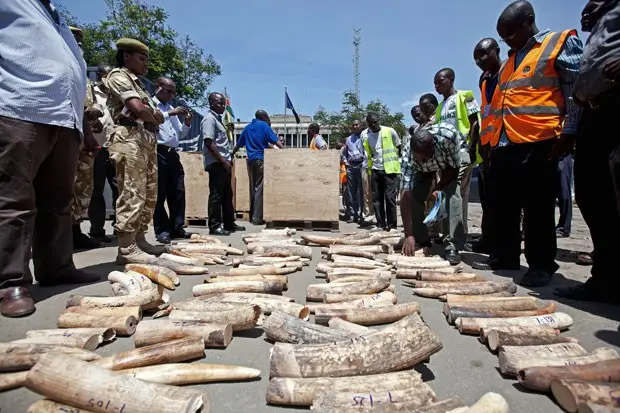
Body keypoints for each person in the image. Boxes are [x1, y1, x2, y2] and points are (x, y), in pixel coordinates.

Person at [472, 0, 583, 288]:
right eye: (503, 35)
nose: (507, 39)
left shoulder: (557, 43)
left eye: (510, 33)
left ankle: (541, 264)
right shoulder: (510, 61)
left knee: (537, 206)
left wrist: (570, 131)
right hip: (506, 143)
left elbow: (573, 90)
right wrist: (491, 145)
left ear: (528, 21)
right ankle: (507, 254)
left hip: (540, 140)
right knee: (504, 205)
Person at [0, 0, 100, 317]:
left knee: (58, 201)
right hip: (20, 109)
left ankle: (56, 266)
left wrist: (82, 123)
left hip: (64, 119)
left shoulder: (55, 14)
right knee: (13, 199)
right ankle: (10, 282)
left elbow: (72, 77)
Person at [554, 0, 619, 303]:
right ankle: (605, 278)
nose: (587, 9)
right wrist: (572, 125)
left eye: (594, 4)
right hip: (594, 111)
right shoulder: (598, 29)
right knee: (592, 195)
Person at [105, 38, 166, 264]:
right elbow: (138, 109)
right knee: (132, 191)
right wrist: (151, 114)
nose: (146, 65)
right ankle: (127, 247)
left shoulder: (139, 84)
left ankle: (140, 239)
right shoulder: (119, 77)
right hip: (128, 137)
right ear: (126, 56)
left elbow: (153, 115)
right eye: (142, 59)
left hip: (145, 139)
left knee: (149, 192)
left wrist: (151, 115)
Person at [401, 124, 465, 264]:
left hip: (449, 165)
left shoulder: (448, 136)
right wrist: (408, 234)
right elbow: (405, 194)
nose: (420, 160)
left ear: (433, 147)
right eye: (417, 158)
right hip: (423, 171)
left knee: (452, 195)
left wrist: (438, 187)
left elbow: (454, 168)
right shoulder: (408, 154)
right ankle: (421, 238)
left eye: (423, 158)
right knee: (416, 196)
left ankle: (451, 245)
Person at [69, 26, 107, 250]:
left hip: (86, 140)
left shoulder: (84, 80)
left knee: (84, 188)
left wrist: (95, 117)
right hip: (63, 134)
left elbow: (90, 108)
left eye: (80, 41)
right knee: (59, 188)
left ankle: (75, 230)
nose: (78, 45)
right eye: (74, 39)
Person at [433, 68, 481, 237]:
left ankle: (459, 236)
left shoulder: (465, 96)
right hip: (445, 158)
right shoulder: (440, 108)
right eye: (435, 83)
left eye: (440, 81)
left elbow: (475, 123)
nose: (437, 86)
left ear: (451, 80)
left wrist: (472, 148)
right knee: (449, 194)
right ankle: (453, 234)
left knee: (458, 194)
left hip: (461, 151)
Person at [467, 37, 503, 254]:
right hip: (489, 146)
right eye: (476, 59)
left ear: (496, 51)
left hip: (509, 141)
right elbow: (485, 113)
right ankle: (488, 238)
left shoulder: (508, 71)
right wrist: (480, 145)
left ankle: (504, 241)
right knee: (488, 198)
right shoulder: (484, 79)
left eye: (483, 55)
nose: (480, 61)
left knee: (505, 200)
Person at [152, 77, 194, 244]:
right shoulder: (150, 104)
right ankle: (162, 230)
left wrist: (188, 124)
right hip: (157, 151)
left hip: (172, 153)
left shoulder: (171, 108)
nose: (171, 95)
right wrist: (170, 114)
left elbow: (180, 135)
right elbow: (150, 119)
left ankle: (177, 226)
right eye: (168, 91)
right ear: (158, 87)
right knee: (159, 192)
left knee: (177, 190)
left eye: (173, 92)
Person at [202, 93, 245, 235]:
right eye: (219, 104)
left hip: (224, 162)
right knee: (216, 195)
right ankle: (214, 226)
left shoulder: (218, 120)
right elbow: (209, 143)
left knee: (227, 195)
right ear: (212, 103)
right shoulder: (209, 119)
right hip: (217, 163)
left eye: (223, 104)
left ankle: (229, 223)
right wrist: (222, 160)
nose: (222, 107)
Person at [232, 110, 283, 225]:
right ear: (264, 117)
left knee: (253, 187)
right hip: (261, 159)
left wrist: (231, 155)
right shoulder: (264, 126)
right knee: (260, 188)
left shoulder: (247, 128)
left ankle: (252, 216)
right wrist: (284, 151)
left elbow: (238, 145)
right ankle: (257, 218)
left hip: (250, 161)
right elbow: (276, 142)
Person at [88, 64, 119, 243]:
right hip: (98, 147)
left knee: (119, 189)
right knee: (96, 190)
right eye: (107, 76)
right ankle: (97, 230)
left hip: (114, 148)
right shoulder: (92, 94)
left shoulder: (116, 96)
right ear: (100, 76)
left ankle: (119, 227)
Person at [362, 112, 401, 231]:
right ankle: (380, 224)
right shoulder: (365, 136)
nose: (374, 125)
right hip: (375, 169)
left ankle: (392, 225)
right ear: (368, 124)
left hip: (389, 170)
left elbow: (398, 146)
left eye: (376, 122)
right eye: (371, 123)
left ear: (379, 121)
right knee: (377, 199)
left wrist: (395, 162)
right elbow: (368, 153)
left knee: (390, 198)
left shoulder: (390, 131)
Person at [342, 120, 365, 224]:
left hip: (362, 165)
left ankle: (362, 214)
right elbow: (344, 153)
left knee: (362, 191)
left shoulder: (365, 137)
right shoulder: (348, 139)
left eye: (357, 125)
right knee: (351, 191)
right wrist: (347, 163)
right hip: (351, 167)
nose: (355, 126)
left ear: (361, 126)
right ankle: (352, 214)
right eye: (353, 125)